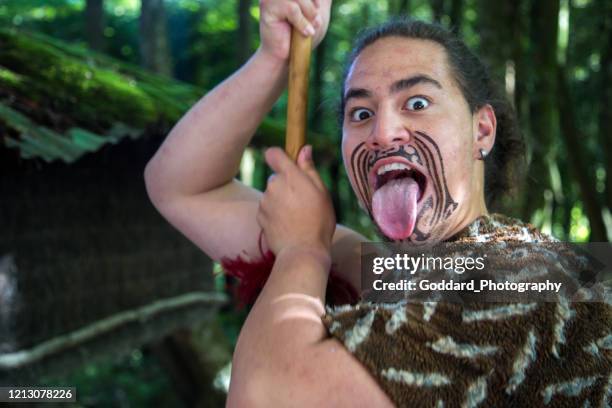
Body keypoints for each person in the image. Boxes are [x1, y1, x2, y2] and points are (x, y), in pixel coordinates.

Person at [144, 0, 611, 406]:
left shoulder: (523, 279)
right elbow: (181, 187)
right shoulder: (399, 273)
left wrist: (302, 252)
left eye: (418, 103)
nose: (383, 133)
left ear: (481, 131)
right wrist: (275, 57)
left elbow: (267, 397)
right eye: (361, 113)